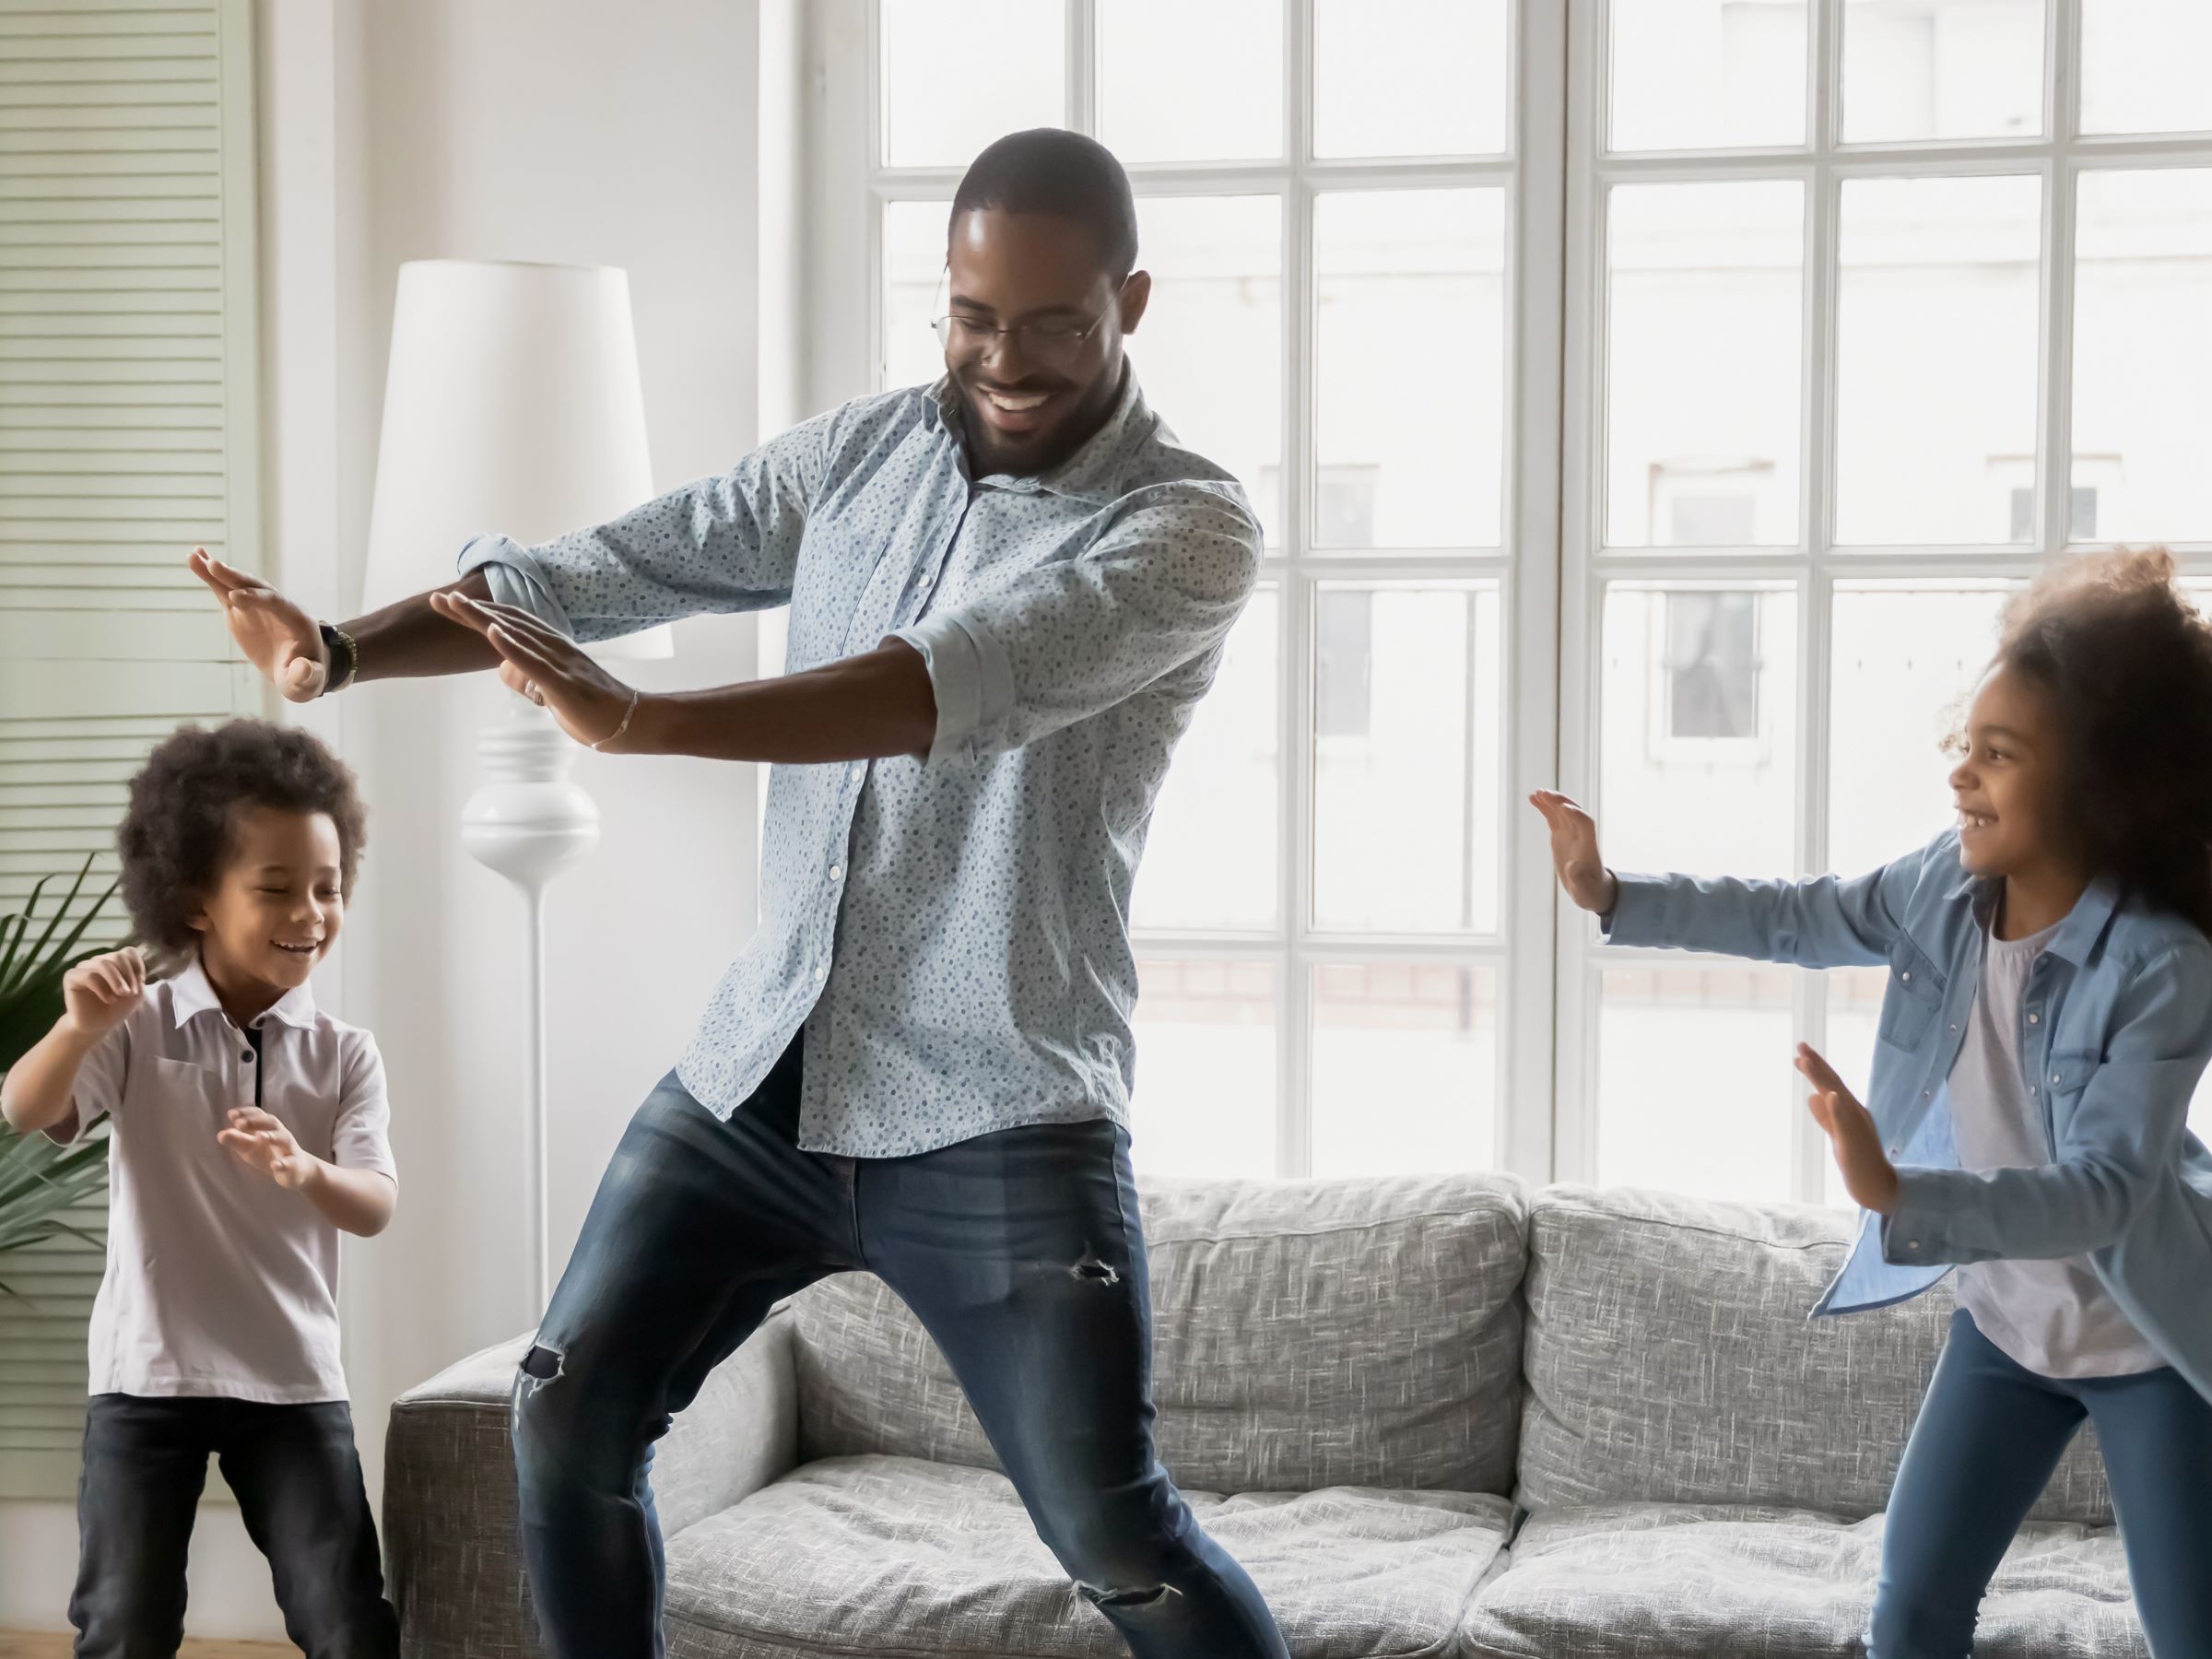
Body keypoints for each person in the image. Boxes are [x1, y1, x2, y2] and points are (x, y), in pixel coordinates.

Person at [190, 129, 1286, 1658]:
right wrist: (345, 648)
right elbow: (594, 574)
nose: (1007, 358)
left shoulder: (1186, 528)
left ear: (1131, 302)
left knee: (1118, 1539)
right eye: (975, 318)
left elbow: (944, 685)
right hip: (761, 1073)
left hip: (999, 1105)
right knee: (566, 1419)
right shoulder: (865, 453)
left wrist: (648, 723)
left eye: (1052, 323)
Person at [1532, 545, 2212, 1656]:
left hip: (2152, 1341)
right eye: (1965, 747)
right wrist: (1615, 894)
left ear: (2099, 783)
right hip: (2006, 1328)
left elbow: (2109, 1191)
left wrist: (1903, 1191)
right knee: (1913, 1606)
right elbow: (1799, 915)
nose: (1961, 778)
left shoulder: (2162, 965)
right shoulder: (1944, 888)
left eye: (1999, 756)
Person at [2, 721, 400, 1659]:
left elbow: (376, 1203)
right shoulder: (135, 1024)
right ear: (192, 902)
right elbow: (24, 1107)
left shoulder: (345, 1054)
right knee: (124, 1626)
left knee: (347, 1619)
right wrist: (73, 1029)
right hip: (149, 1375)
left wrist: (304, 1170)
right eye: (274, 889)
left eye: (328, 888)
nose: (310, 912)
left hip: (295, 1378)